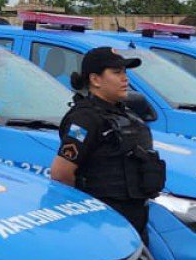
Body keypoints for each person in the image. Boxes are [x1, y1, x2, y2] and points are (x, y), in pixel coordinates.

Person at [47, 46, 167, 244]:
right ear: (95, 80)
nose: (125, 79)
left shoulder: (125, 113)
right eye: (117, 72)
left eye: (125, 72)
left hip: (134, 220)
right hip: (104, 224)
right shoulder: (85, 119)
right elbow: (61, 173)